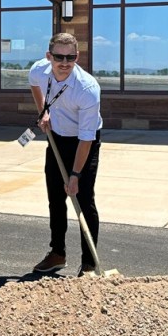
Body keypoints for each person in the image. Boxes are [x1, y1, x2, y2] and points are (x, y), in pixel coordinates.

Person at [28, 32, 103, 277]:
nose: (64, 62)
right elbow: (33, 83)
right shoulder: (40, 70)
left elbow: (86, 138)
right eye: (59, 56)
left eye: (70, 57)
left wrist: (75, 175)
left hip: (84, 142)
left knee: (83, 198)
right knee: (55, 198)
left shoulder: (88, 88)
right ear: (49, 56)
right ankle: (57, 253)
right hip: (57, 137)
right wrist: (43, 112)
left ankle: (89, 263)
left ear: (77, 57)